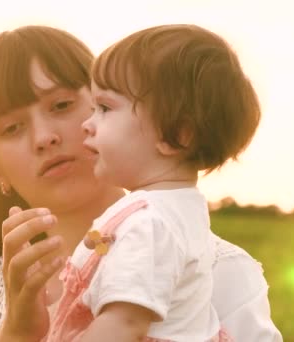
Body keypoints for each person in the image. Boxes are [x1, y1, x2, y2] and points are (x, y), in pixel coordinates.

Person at [0, 25, 282, 341]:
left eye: (61, 105)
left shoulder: (222, 271)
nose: (44, 137)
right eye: (12, 128)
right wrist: (15, 333)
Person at [46, 24, 259, 341]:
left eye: (104, 108)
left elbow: (125, 324)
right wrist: (93, 242)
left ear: (175, 136)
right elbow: (116, 250)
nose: (87, 125)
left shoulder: (149, 222)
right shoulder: (175, 208)